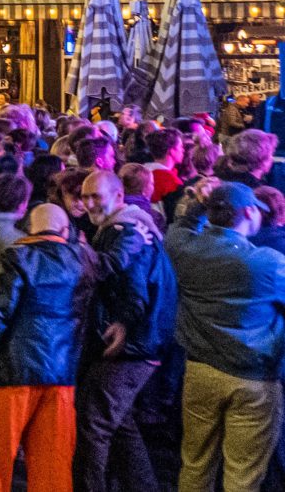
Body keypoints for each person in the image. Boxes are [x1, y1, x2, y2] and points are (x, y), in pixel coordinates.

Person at [0, 203, 95, 492]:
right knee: (53, 469)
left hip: (10, 373)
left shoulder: (19, 256)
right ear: (65, 230)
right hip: (61, 377)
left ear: (29, 228)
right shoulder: (84, 261)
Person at [165, 181, 285, 492]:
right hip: (253, 379)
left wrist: (200, 203)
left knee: (194, 465)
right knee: (242, 476)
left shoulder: (183, 249)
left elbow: (182, 225)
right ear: (248, 212)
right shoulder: (267, 263)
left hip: (200, 371)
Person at [75, 169, 176, 492]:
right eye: (85, 196)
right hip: (142, 343)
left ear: (118, 197)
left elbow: (131, 285)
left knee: (94, 423)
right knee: (119, 423)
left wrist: (123, 324)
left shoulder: (124, 229)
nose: (88, 203)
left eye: (96, 196)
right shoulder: (125, 226)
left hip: (132, 347)